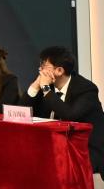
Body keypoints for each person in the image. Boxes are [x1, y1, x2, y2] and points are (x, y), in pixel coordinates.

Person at [18, 46, 104, 175]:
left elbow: (69, 114)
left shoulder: (86, 89)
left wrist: (46, 88)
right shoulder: (46, 84)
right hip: (53, 145)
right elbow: (20, 112)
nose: (40, 70)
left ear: (59, 70)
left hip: (83, 149)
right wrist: (35, 86)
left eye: (44, 66)